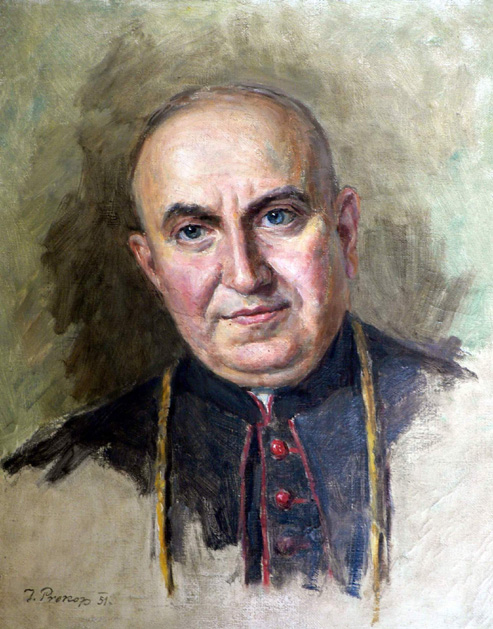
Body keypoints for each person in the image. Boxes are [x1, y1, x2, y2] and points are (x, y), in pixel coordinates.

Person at [2, 85, 464, 617]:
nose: (245, 275)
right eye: (193, 231)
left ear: (345, 232)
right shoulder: (54, 482)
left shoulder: (465, 426)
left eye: (277, 217)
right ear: (152, 268)